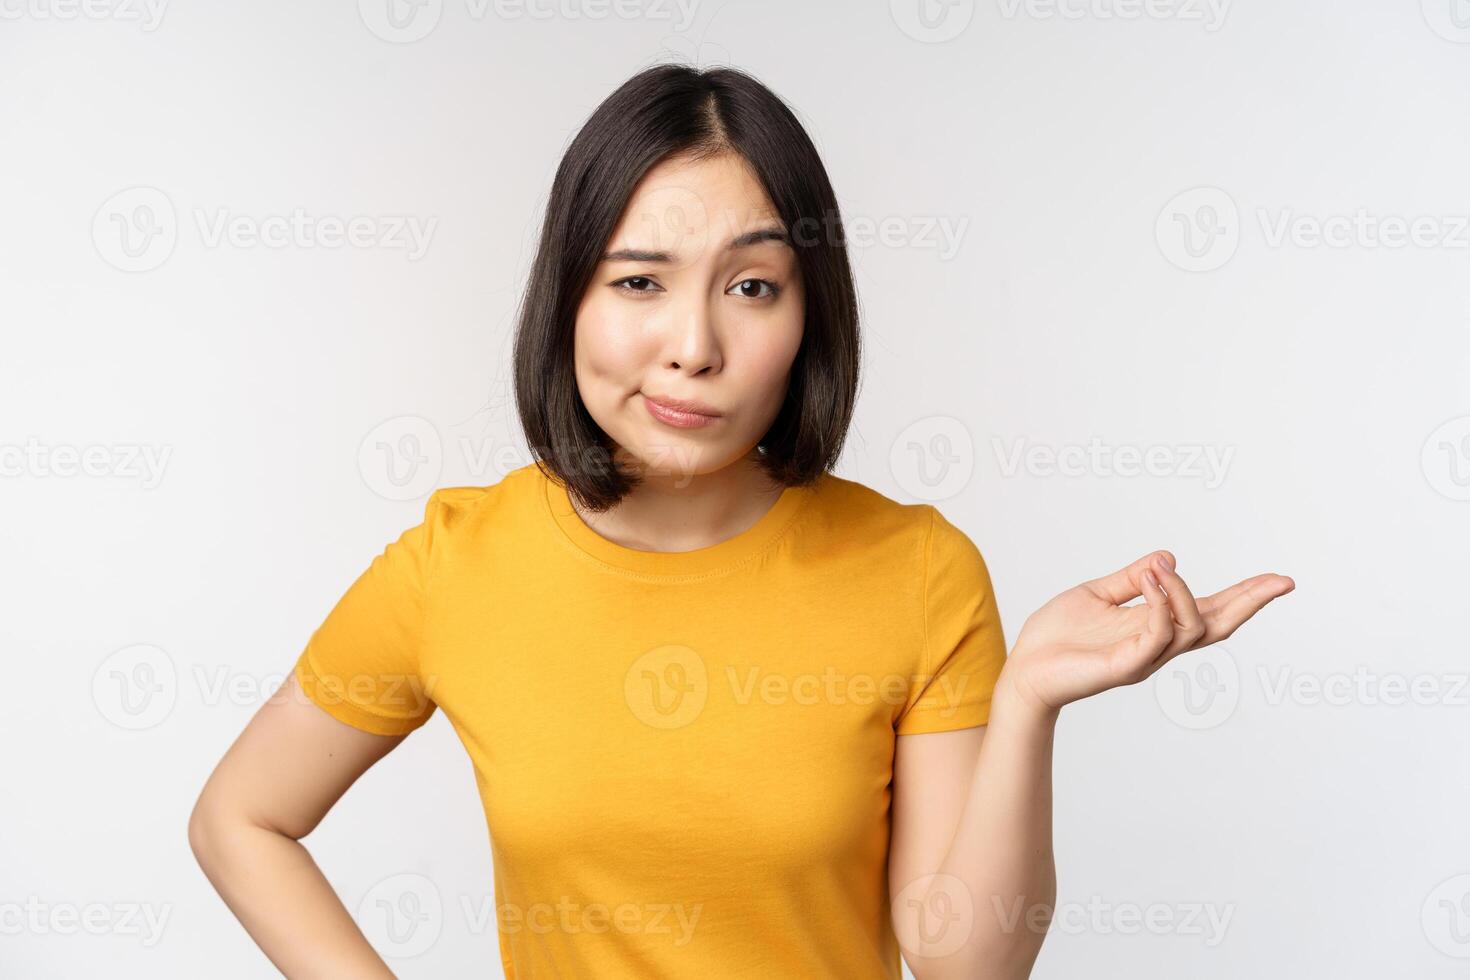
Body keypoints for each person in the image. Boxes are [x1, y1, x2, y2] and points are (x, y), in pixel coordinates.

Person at [187, 63, 1294, 980]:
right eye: (638, 282)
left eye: (752, 286)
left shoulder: (916, 570)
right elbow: (241, 817)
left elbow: (965, 967)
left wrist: (1029, 703)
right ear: (568, 293)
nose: (694, 345)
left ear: (810, 316)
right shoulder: (457, 563)